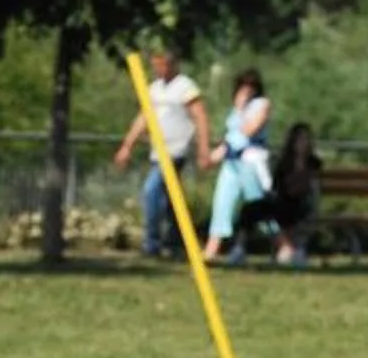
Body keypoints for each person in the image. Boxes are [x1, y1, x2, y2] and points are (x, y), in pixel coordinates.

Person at [111, 46, 206, 261]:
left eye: (161, 65)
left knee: (151, 190)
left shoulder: (185, 87)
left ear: (172, 64)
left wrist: (203, 148)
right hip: (158, 152)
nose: (157, 69)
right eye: (154, 65)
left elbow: (200, 116)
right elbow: (144, 118)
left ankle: (152, 243)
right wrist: (127, 145)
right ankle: (176, 242)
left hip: (175, 151)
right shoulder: (154, 89)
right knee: (173, 199)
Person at [202, 69, 274, 265]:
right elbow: (230, 139)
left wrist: (242, 109)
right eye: (243, 85)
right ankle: (211, 249)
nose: (246, 90)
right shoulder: (235, 109)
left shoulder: (262, 105)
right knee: (222, 202)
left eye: (250, 86)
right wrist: (211, 158)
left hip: (251, 160)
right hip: (232, 161)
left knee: (257, 205)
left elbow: (248, 131)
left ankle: (283, 244)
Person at [245, 122, 323, 267]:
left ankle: (288, 248)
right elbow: (276, 186)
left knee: (286, 210)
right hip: (284, 201)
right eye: (299, 139)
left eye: (305, 139)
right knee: (252, 209)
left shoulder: (314, 163)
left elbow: (312, 189)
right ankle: (283, 245)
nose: (302, 143)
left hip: (303, 205)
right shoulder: (284, 163)